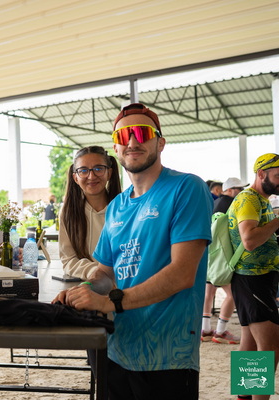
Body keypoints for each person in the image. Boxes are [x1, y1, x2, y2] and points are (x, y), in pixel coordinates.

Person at [53, 103, 212, 400]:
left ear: (160, 143)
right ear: (116, 147)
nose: (133, 141)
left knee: (265, 342)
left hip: (168, 355)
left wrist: (109, 301)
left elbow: (182, 274)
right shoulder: (116, 206)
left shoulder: (186, 187)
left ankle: (253, 391)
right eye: (124, 135)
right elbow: (107, 274)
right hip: (118, 348)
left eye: (143, 132)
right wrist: (84, 290)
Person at [228, 153, 279, 400]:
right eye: (278, 176)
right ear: (261, 174)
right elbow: (248, 240)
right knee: (270, 346)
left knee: (249, 344)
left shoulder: (262, 200)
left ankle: (244, 397)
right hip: (252, 279)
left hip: (256, 280)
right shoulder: (248, 199)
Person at [59, 146, 121, 280]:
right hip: (87, 284)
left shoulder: (125, 208)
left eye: (98, 169)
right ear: (75, 177)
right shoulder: (68, 212)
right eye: (83, 170)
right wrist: (96, 272)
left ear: (109, 173)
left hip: (123, 284)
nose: (91, 176)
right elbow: (68, 259)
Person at [201, 177, 248, 344]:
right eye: (239, 189)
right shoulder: (231, 205)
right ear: (229, 190)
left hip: (209, 254)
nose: (241, 192)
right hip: (222, 256)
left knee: (208, 293)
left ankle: (206, 329)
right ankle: (220, 331)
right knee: (232, 294)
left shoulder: (214, 203)